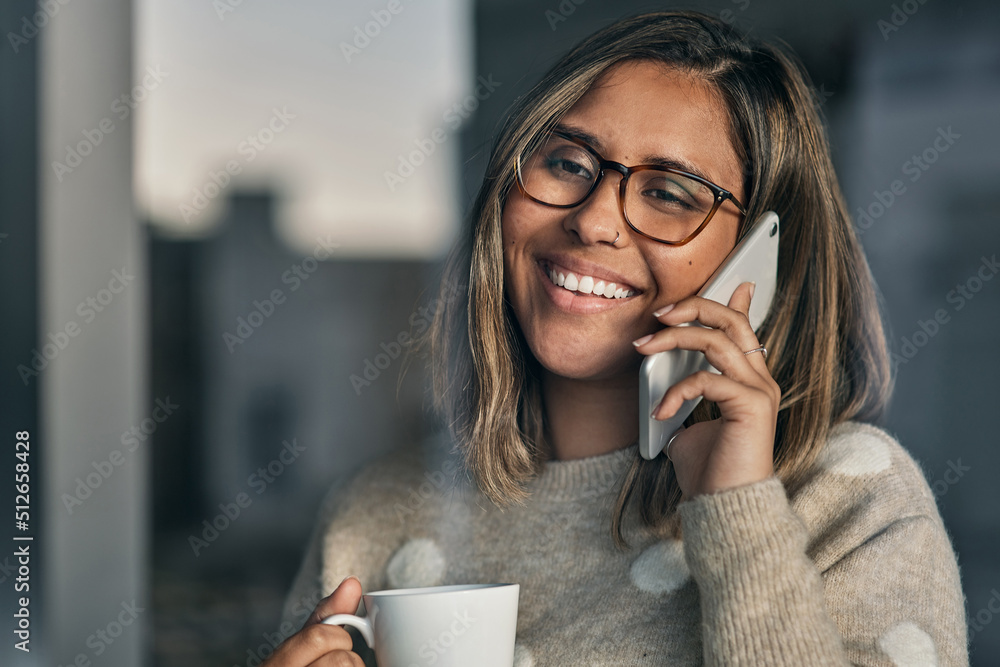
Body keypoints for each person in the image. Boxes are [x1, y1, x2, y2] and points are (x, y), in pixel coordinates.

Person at [266, 10, 968, 666]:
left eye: (670, 192)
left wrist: (738, 510)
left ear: (758, 257)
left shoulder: (852, 496)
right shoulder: (373, 510)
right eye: (568, 163)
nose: (596, 220)